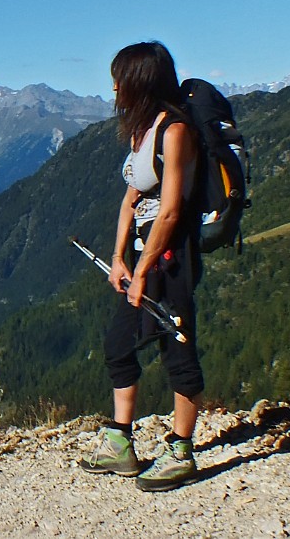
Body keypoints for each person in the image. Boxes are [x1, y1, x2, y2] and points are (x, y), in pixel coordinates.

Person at [79, 41, 203, 492]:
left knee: (177, 346)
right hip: (138, 256)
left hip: (171, 258)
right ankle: (121, 443)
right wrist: (118, 259)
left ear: (142, 82)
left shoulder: (175, 131)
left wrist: (146, 269)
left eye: (120, 78)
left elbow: (169, 212)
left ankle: (181, 450)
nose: (113, 86)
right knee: (118, 343)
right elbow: (132, 198)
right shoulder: (141, 130)